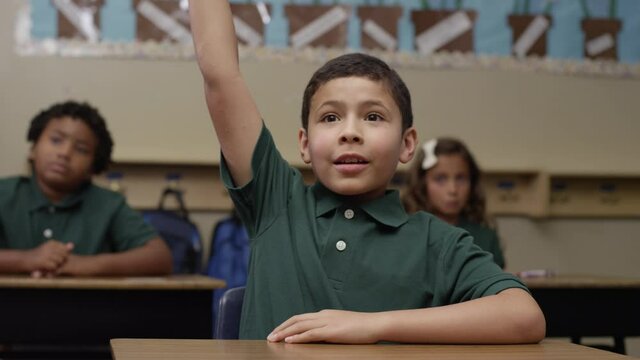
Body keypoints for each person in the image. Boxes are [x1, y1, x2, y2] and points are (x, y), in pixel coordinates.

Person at [189, 0, 545, 344]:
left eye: (373, 117)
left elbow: (524, 316)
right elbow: (220, 74)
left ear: (407, 144)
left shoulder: (437, 242)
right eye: (330, 117)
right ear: (305, 144)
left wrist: (373, 326)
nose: (350, 131)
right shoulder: (277, 202)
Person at [0, 101, 173, 277]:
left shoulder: (108, 204)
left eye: (81, 149)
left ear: (92, 168)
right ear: (33, 148)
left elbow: (160, 258)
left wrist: (84, 265)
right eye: (56, 140)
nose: (65, 153)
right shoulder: (4, 193)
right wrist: (26, 260)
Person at [402, 138, 506, 268]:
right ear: (422, 183)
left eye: (461, 178)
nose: (453, 190)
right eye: (440, 179)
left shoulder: (485, 237)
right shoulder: (406, 234)